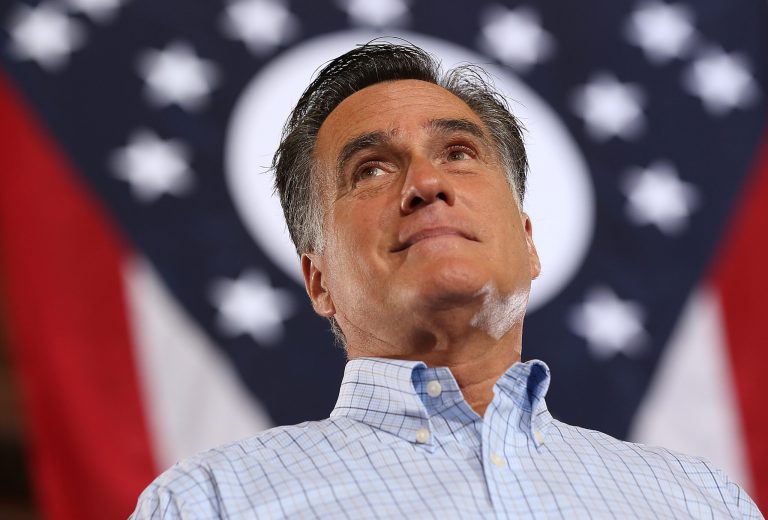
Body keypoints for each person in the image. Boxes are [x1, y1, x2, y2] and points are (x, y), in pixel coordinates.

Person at [131, 42, 762, 519]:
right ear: (318, 280)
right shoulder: (208, 503)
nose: (426, 184)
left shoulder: (703, 501)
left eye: (458, 153)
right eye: (371, 169)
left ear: (529, 243)